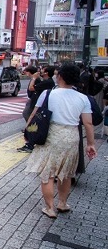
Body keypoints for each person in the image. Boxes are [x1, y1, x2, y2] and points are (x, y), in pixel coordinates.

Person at [24, 61, 96, 217]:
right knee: (67, 172)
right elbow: (88, 123)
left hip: (52, 134)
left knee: (47, 173)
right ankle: (62, 203)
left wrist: (27, 132)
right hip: (72, 135)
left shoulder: (48, 94)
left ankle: (50, 208)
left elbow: (33, 114)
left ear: (60, 76)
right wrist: (91, 144)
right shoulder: (83, 98)